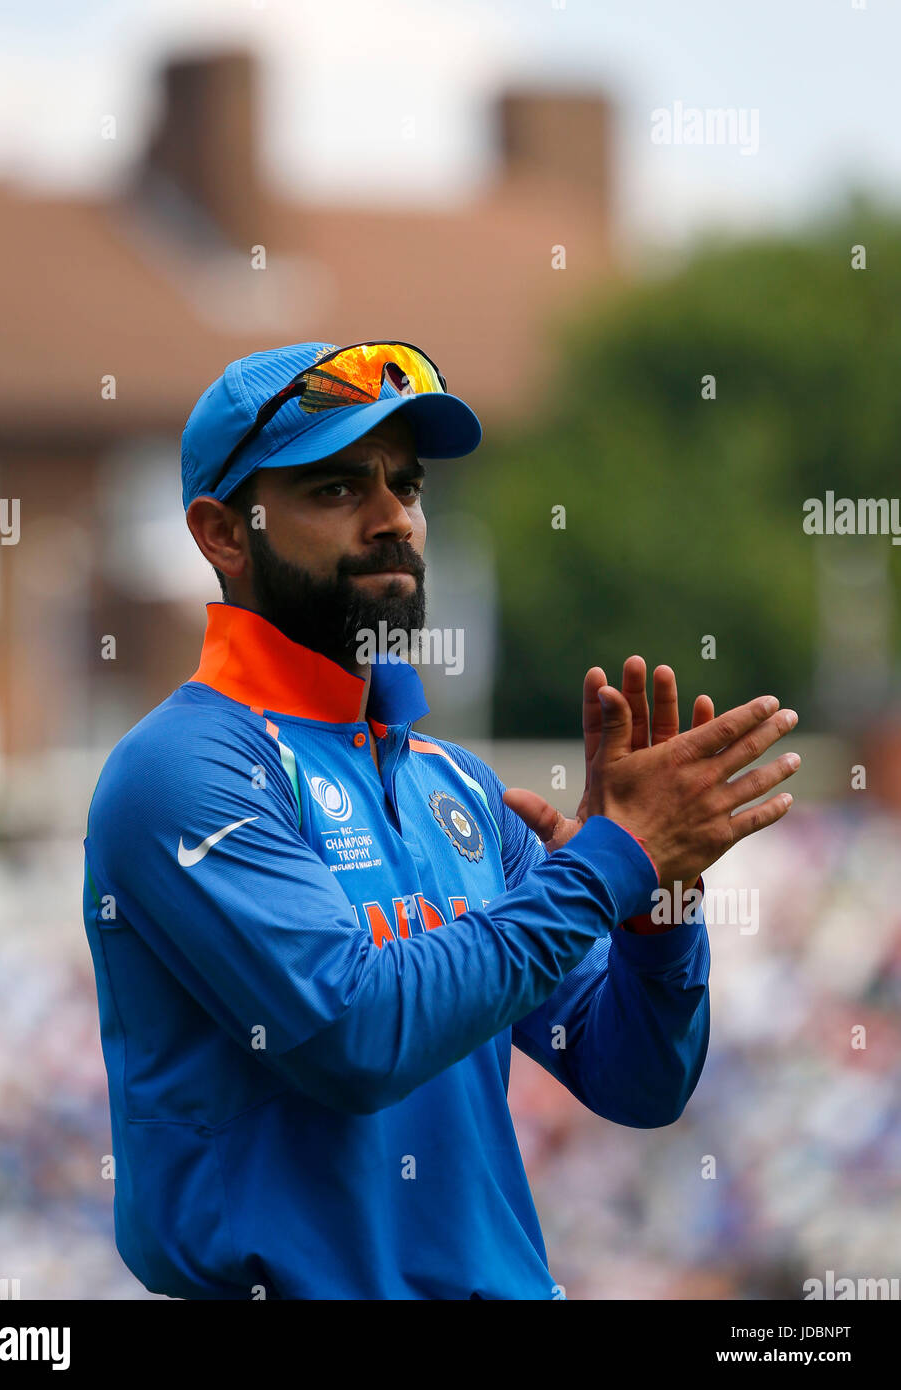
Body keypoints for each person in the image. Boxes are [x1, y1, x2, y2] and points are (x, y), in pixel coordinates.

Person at [82, 340, 799, 1299]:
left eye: (406, 487)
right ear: (222, 533)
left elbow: (637, 1080)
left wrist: (654, 908)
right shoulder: (183, 769)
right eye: (338, 490)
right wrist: (605, 867)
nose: (394, 521)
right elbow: (356, 1037)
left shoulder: (454, 783)